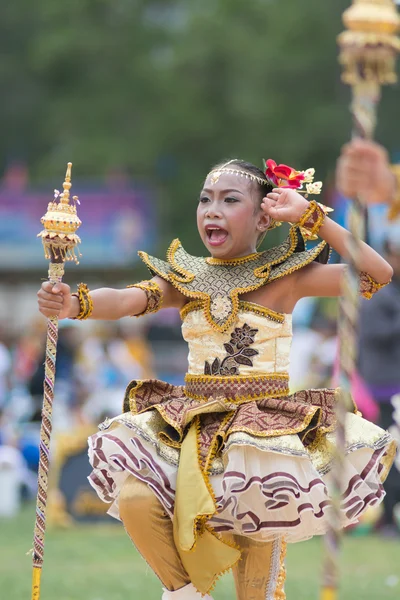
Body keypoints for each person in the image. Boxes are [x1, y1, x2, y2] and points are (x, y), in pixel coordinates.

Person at [37, 158, 396, 600]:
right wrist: (75, 305)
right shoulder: (187, 279)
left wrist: (310, 216)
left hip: (261, 443)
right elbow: (129, 299)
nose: (212, 210)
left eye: (229, 200)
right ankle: (186, 592)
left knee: (256, 587)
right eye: (205, 200)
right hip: (191, 429)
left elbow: (376, 275)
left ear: (264, 216)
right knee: (136, 500)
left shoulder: (285, 278)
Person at [357, 236, 400, 537]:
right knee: (391, 454)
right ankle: (386, 518)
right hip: (386, 386)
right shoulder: (378, 292)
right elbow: (373, 333)